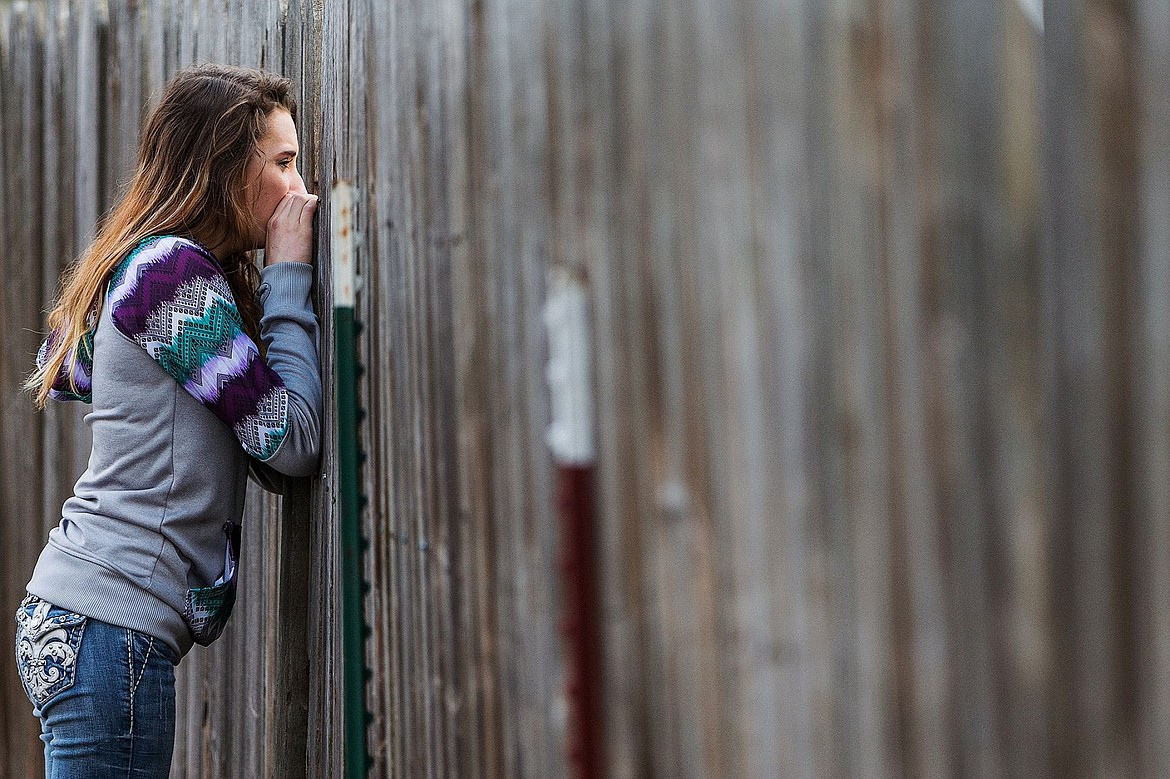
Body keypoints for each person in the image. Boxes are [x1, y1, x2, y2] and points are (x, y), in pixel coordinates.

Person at [12, 63, 323, 777]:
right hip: (108, 628)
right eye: (282, 163)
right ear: (224, 170)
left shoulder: (151, 267)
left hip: (78, 617)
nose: (299, 190)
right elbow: (295, 438)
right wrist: (286, 276)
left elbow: (68, 360)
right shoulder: (170, 275)